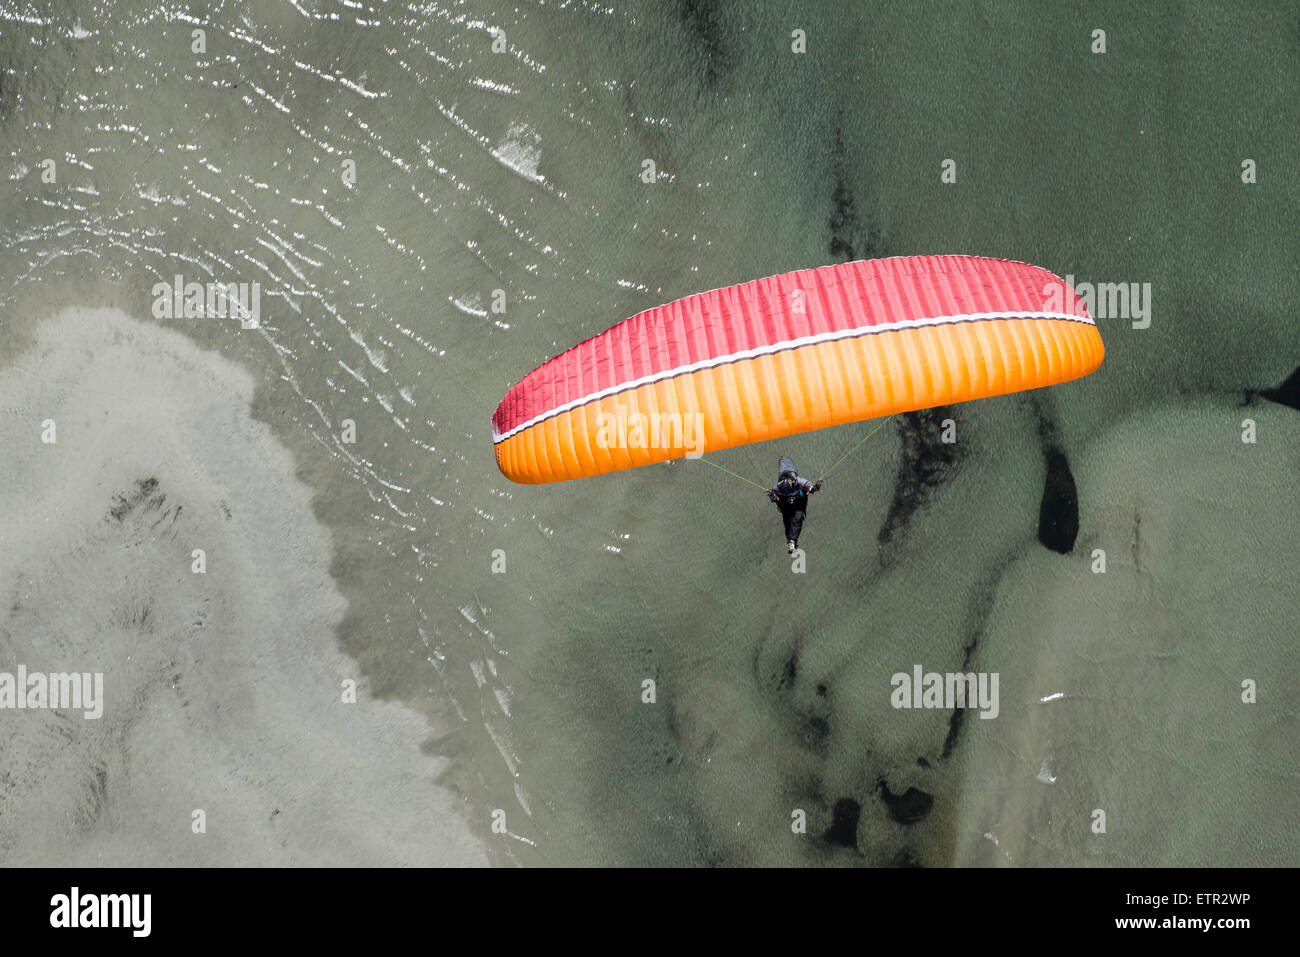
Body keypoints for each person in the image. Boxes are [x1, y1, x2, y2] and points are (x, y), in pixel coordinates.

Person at [768, 457, 822, 554]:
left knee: (798, 518)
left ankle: (792, 540)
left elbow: (809, 486)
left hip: (799, 500)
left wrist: (814, 488)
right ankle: (790, 540)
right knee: (787, 520)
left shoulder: (799, 481)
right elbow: (774, 497)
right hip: (785, 502)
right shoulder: (776, 488)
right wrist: (772, 497)